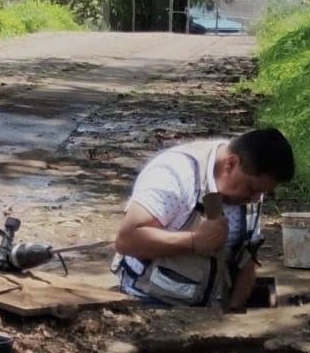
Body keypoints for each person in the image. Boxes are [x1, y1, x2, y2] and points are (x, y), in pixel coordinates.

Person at [112, 128, 295, 309]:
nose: (255, 198)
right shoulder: (174, 174)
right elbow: (127, 240)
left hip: (212, 307)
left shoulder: (249, 190)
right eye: (252, 188)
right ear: (231, 163)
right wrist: (193, 241)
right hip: (150, 300)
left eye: (263, 192)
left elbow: (247, 260)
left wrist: (233, 311)